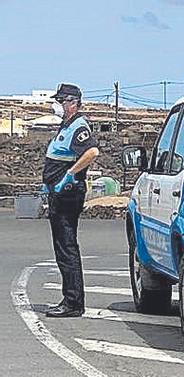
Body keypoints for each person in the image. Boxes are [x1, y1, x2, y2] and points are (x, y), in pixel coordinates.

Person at [42, 83, 100, 318]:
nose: (57, 105)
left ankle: (73, 302)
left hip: (67, 194)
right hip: (57, 193)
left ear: (72, 102)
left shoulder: (79, 126)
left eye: (61, 101)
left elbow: (92, 152)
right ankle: (70, 298)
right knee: (62, 247)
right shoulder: (65, 126)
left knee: (67, 248)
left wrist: (70, 174)